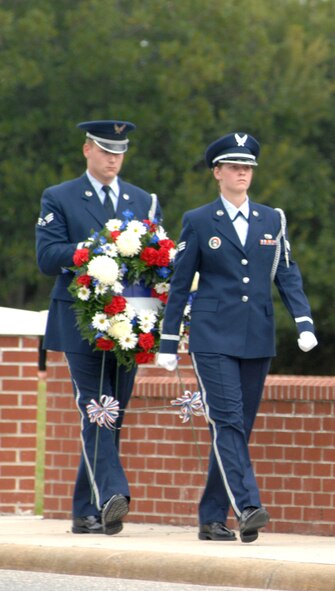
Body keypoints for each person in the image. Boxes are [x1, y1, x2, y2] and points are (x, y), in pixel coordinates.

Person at [155, 132, 317, 543]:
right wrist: (169, 340)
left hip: (257, 335)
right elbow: (179, 283)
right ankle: (247, 506)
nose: (242, 172)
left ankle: (211, 518)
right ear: (217, 173)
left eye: (248, 167)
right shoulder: (199, 220)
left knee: (236, 429)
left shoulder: (271, 220)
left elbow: (286, 272)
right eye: (234, 166)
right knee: (226, 420)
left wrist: (303, 321)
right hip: (212, 337)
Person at [36, 120, 161, 535]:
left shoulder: (142, 199)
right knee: (96, 407)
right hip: (79, 319)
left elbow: (154, 258)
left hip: (129, 319)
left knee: (113, 412)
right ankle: (113, 493)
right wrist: (94, 251)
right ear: (87, 149)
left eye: (119, 152)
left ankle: (87, 510)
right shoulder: (60, 197)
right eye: (105, 150)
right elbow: (48, 256)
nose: (112, 159)